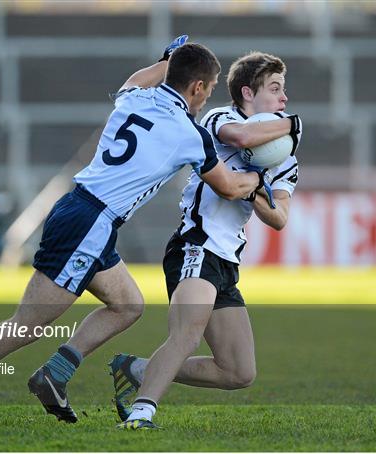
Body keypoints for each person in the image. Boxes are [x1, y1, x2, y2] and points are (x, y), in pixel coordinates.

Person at [0, 37, 273, 430]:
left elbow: (139, 77)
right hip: (91, 223)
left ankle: (54, 373)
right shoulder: (191, 134)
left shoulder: (135, 96)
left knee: (128, 305)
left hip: (81, 211)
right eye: (209, 90)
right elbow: (230, 188)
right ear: (199, 87)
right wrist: (262, 173)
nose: (205, 101)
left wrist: (166, 60)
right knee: (28, 323)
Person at [110, 51, 302, 430]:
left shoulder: (284, 157)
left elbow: (279, 218)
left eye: (284, 91)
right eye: (275, 89)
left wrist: (254, 191)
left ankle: (136, 369)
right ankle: (141, 413)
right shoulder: (221, 117)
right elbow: (243, 137)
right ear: (247, 93)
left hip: (227, 259)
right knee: (186, 335)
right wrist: (292, 125)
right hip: (195, 244)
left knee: (238, 371)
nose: (284, 100)